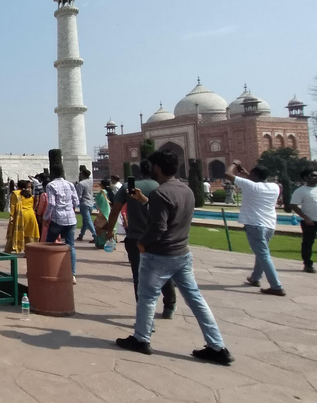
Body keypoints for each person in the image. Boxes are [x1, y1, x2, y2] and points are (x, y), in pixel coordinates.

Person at [116, 150, 233, 366]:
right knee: (196, 299)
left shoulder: (161, 193)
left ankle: (141, 338)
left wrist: (143, 242)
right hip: (182, 253)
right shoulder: (185, 189)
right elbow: (168, 213)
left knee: (148, 297)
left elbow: (159, 226)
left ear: (158, 168)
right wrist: (144, 200)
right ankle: (217, 346)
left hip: (159, 254)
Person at [104, 159, 176, 319]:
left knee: (139, 278)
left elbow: (115, 211)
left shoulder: (128, 187)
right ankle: (170, 305)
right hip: (159, 237)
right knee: (163, 273)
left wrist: (110, 231)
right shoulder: (161, 187)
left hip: (136, 237)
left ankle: (145, 315)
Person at [224, 162, 285, 296]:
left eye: (251, 173)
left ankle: (276, 286)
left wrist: (234, 163)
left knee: (263, 254)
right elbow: (256, 181)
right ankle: (255, 278)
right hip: (269, 225)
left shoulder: (251, 186)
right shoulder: (275, 186)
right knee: (262, 253)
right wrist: (246, 173)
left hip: (255, 225)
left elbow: (227, 174)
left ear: (255, 175)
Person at [43, 169, 80, 283]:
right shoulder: (70, 184)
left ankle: (46, 270)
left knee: (48, 245)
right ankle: (72, 274)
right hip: (71, 219)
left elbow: (52, 203)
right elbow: (76, 201)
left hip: (57, 219)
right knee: (71, 246)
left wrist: (45, 217)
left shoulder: (51, 185)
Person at [292, 168, 317, 273]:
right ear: (306, 178)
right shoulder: (301, 191)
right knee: (308, 243)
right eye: (313, 175)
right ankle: (308, 264)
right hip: (310, 221)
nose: (316, 177)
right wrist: (305, 218)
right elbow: (293, 205)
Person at [5, 180, 40, 254]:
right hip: (30, 215)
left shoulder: (15, 193)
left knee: (15, 231)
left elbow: (13, 205)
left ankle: (8, 250)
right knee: (29, 234)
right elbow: (32, 204)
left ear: (18, 186)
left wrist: (12, 215)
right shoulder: (29, 194)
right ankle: (29, 252)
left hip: (21, 215)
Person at [76, 169, 96, 242]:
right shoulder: (90, 181)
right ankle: (81, 235)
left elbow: (78, 195)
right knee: (85, 220)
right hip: (91, 202)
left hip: (84, 203)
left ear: (83, 175)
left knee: (88, 220)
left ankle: (95, 235)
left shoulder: (81, 184)